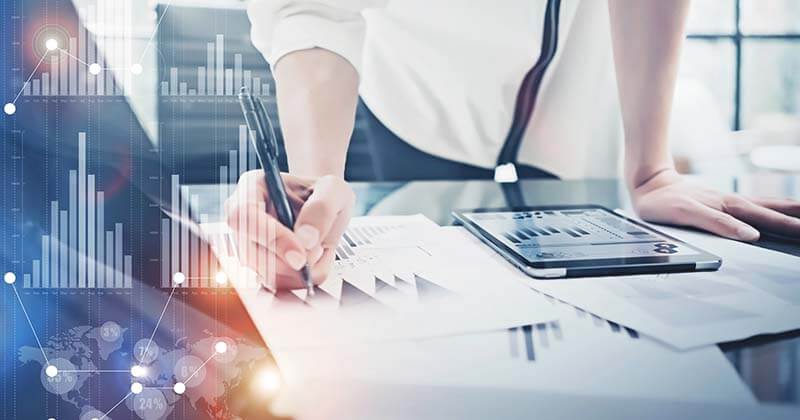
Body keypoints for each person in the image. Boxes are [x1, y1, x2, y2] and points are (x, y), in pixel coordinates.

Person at [226, 0, 800, 289]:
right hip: (419, 91)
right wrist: (316, 184)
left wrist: (651, 169)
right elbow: (313, 10)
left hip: (577, 85)